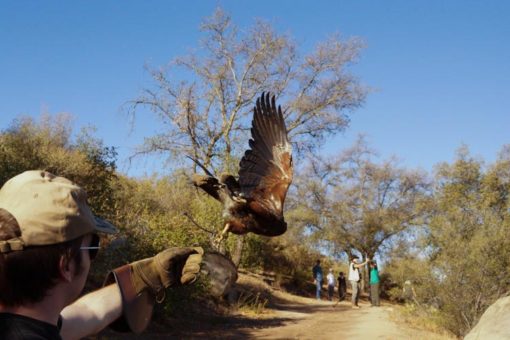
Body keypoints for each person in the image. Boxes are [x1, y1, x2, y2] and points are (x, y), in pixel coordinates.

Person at [0, 170, 237, 340]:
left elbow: (88, 314)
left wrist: (147, 276)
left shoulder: (28, 324)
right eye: (92, 246)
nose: (95, 254)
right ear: (67, 266)